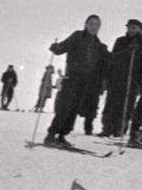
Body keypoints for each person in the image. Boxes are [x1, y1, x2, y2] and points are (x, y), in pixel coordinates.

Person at [44, 14, 110, 146]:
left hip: (86, 80)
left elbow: (109, 59)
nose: (93, 27)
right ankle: (51, 135)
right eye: (91, 23)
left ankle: (62, 135)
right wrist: (56, 48)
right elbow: (63, 47)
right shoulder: (78, 36)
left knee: (75, 108)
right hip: (72, 76)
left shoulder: (98, 44)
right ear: (86, 24)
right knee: (65, 106)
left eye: (97, 25)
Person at [99, 20, 142, 137]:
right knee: (111, 103)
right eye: (129, 28)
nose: (131, 30)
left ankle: (120, 128)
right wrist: (108, 75)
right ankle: (107, 128)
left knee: (127, 104)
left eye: (134, 28)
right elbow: (113, 57)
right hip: (117, 76)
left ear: (140, 30)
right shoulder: (120, 41)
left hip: (133, 79)